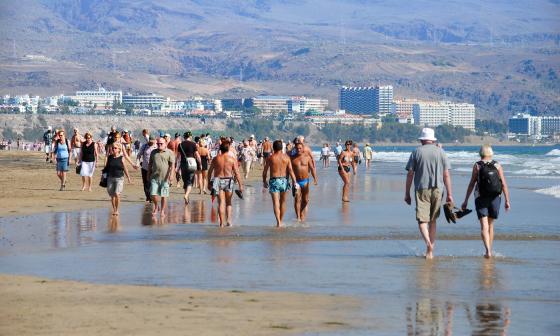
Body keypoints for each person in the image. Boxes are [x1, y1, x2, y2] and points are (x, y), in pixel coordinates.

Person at [404, 128, 453, 259]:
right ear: (433, 139)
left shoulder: (416, 152)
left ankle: (428, 244)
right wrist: (449, 194)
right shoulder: (441, 152)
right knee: (433, 220)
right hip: (438, 189)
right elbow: (446, 174)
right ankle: (430, 251)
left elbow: (410, 174)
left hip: (421, 189)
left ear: (422, 140)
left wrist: (407, 193)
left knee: (422, 220)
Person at [461, 144, 511, 258]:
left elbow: (471, 184)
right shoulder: (497, 165)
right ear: (491, 153)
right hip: (495, 197)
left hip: (480, 197)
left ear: (481, 153)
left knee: (484, 226)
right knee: (491, 225)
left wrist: (465, 200)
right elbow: (503, 184)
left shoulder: (477, 166)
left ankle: (487, 250)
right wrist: (507, 200)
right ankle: (490, 249)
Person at [263, 140, 298, 227]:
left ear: (273, 148)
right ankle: (281, 220)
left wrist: (264, 181)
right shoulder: (286, 158)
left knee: (276, 202)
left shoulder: (271, 158)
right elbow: (291, 171)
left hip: (274, 180)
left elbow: (265, 172)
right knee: (283, 202)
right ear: (282, 148)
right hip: (284, 181)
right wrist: (294, 182)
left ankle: (278, 222)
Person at [207, 141, 243, 227]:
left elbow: (210, 172)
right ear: (228, 149)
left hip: (218, 180)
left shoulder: (216, 159)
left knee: (221, 202)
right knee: (229, 202)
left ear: (220, 149)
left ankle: (221, 223)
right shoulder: (232, 159)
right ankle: (229, 221)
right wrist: (241, 185)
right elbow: (237, 173)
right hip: (229, 180)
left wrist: (208, 182)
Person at [291, 141, 318, 221]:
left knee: (305, 200)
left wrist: (315, 178)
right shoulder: (292, 158)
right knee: (297, 199)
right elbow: (289, 170)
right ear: (295, 149)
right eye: (297, 148)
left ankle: (301, 211)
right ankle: (298, 217)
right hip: (296, 182)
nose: (299, 150)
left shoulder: (307, 157)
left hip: (305, 181)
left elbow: (312, 168)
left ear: (303, 148)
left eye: (300, 148)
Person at [148, 138, 175, 217]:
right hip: (154, 177)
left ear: (165, 143)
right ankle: (156, 206)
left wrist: (171, 175)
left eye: (161, 144)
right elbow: (150, 164)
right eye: (158, 144)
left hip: (165, 178)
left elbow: (172, 165)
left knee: (164, 195)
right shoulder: (153, 152)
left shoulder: (170, 152)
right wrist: (148, 174)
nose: (159, 145)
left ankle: (162, 211)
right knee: (152, 194)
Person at [103, 143, 132, 216]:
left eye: (115, 148)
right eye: (112, 148)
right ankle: (114, 209)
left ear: (119, 149)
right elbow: (107, 167)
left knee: (117, 193)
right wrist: (103, 176)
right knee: (112, 195)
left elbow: (125, 168)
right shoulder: (110, 157)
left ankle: (117, 210)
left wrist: (128, 177)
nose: (113, 149)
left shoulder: (122, 158)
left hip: (119, 178)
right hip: (110, 178)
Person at [177, 131, 201, 204]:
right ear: (190, 137)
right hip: (191, 164)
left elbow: (178, 157)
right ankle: (186, 195)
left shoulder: (180, 145)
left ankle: (186, 198)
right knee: (190, 182)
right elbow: (197, 155)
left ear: (184, 137)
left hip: (183, 164)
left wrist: (177, 167)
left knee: (185, 181)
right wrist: (200, 164)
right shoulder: (193, 144)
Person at [138, 135, 157, 202]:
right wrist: (137, 163)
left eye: (153, 141)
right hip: (145, 168)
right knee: (146, 183)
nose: (152, 142)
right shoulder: (144, 146)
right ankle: (148, 197)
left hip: (154, 168)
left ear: (155, 140)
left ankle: (152, 196)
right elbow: (139, 155)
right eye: (150, 141)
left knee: (153, 182)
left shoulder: (156, 147)